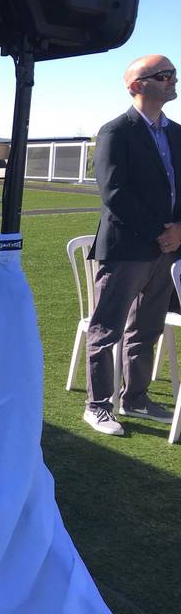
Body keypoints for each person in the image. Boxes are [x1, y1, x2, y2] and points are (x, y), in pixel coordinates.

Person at [84, 54, 181, 435]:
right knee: (107, 329)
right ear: (137, 85)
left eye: (173, 74)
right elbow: (115, 193)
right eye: (163, 75)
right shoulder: (115, 132)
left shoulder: (176, 133)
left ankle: (136, 397)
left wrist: (179, 231)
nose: (172, 79)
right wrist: (162, 231)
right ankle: (97, 405)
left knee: (147, 327)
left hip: (165, 250)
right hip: (128, 248)